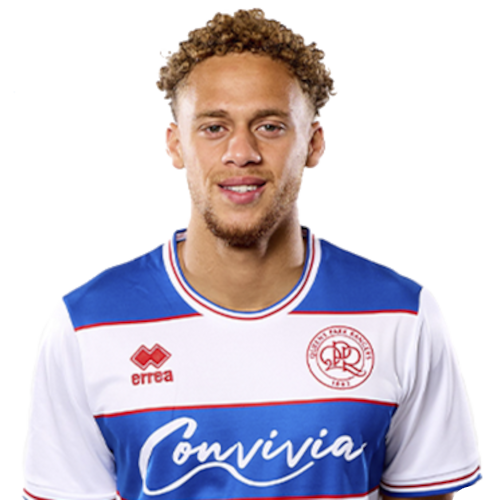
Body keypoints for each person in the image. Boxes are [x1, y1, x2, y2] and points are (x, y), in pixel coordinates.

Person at [21, 8, 482, 500]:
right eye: (214, 127)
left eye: (270, 126)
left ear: (313, 143)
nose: (241, 152)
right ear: (176, 145)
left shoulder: (401, 315)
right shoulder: (86, 326)